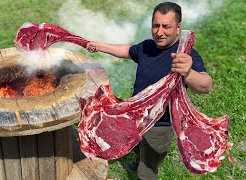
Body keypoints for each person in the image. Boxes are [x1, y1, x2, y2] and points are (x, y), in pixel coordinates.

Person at [86, 2, 212, 179]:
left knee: (147, 169)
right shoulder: (147, 46)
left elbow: (206, 86)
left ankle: (145, 170)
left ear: (178, 28)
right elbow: (127, 51)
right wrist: (100, 46)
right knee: (138, 146)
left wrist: (188, 73)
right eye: (156, 25)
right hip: (136, 117)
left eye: (166, 27)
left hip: (159, 127)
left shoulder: (186, 55)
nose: (160, 32)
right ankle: (138, 159)